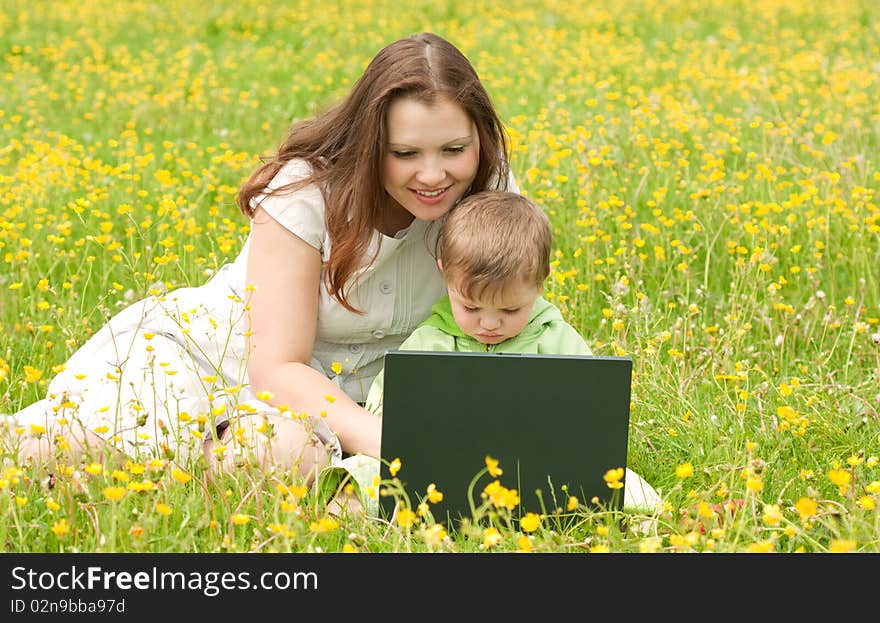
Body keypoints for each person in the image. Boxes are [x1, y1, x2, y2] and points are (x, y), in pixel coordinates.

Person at [11, 32, 517, 485]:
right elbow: (276, 369)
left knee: (292, 459)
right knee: (79, 450)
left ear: (479, 140)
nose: (433, 175)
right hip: (219, 365)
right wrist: (390, 442)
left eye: (454, 149)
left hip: (357, 401)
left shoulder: (490, 195)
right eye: (405, 153)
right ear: (369, 143)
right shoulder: (305, 194)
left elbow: (513, 312)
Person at [317, 191, 662, 517]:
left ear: (541, 283)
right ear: (444, 274)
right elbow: (387, 410)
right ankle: (350, 510)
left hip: (536, 460)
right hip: (438, 458)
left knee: (615, 477)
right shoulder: (431, 339)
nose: (489, 324)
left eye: (510, 311)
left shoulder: (553, 337)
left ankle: (642, 519)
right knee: (369, 471)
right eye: (470, 307)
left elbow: (591, 412)